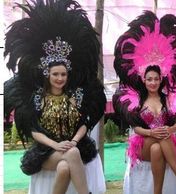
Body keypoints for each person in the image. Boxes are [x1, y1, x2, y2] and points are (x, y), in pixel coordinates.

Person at [3, 1, 106, 194]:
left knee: (65, 167)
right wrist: (56, 144)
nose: (60, 78)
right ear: (48, 75)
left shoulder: (76, 96)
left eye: (63, 74)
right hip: (47, 151)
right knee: (71, 154)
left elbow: (84, 122)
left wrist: (74, 140)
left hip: (72, 147)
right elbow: (34, 130)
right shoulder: (37, 98)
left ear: (68, 76)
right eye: (55, 74)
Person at [113, 11, 176, 194]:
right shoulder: (137, 99)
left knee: (157, 148)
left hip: (161, 143)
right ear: (144, 80)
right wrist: (152, 131)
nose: (153, 82)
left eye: (156, 79)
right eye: (149, 79)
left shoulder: (167, 98)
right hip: (143, 142)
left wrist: (170, 129)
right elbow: (136, 128)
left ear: (161, 80)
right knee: (155, 142)